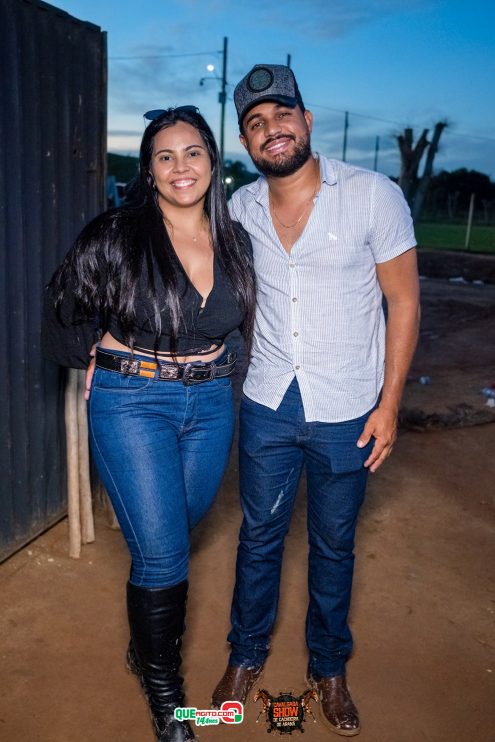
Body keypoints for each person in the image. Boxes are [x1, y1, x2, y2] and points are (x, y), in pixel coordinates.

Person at [211, 65, 420, 736]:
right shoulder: (240, 208)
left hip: (348, 411)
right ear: (247, 143)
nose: (270, 129)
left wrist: (388, 405)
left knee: (332, 546)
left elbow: (403, 300)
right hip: (269, 403)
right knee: (259, 538)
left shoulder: (371, 195)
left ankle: (328, 667)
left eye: (280, 115)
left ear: (305, 120)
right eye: (253, 123)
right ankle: (244, 658)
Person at [42, 106, 255, 742]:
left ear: (213, 162)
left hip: (212, 404)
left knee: (173, 531)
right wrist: (93, 354)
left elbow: (238, 322)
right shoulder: (118, 232)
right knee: (163, 557)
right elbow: (63, 306)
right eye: (165, 156)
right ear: (150, 170)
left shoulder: (235, 238)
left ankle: (146, 644)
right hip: (133, 401)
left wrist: (229, 365)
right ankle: (166, 696)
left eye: (192, 152)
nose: (180, 166)